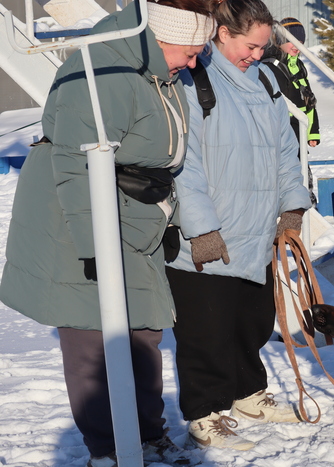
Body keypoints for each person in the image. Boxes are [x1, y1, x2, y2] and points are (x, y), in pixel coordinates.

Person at [0, 1, 216, 466]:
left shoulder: (159, 70)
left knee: (143, 330)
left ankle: (147, 435)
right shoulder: (103, 70)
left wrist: (175, 217)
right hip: (76, 218)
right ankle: (111, 449)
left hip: (133, 215)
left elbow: (168, 154)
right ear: (161, 37)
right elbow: (76, 163)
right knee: (93, 340)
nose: (194, 62)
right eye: (190, 50)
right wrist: (95, 244)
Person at [165, 0, 313, 451]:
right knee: (205, 330)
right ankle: (205, 413)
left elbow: (286, 151)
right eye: (250, 46)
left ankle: (247, 394)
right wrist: (201, 229)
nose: (256, 55)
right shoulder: (193, 80)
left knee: (252, 321)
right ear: (223, 33)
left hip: (256, 230)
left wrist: (292, 206)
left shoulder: (266, 80)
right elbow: (183, 163)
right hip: (208, 236)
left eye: (263, 47)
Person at [261, 17, 320, 202]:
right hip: (281, 128)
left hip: (298, 127)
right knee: (286, 171)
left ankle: (307, 201)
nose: (296, 46)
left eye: (300, 42)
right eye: (291, 41)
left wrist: (313, 132)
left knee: (303, 169)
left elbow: (309, 102)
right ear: (279, 41)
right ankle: (289, 203)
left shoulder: (299, 67)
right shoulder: (269, 66)